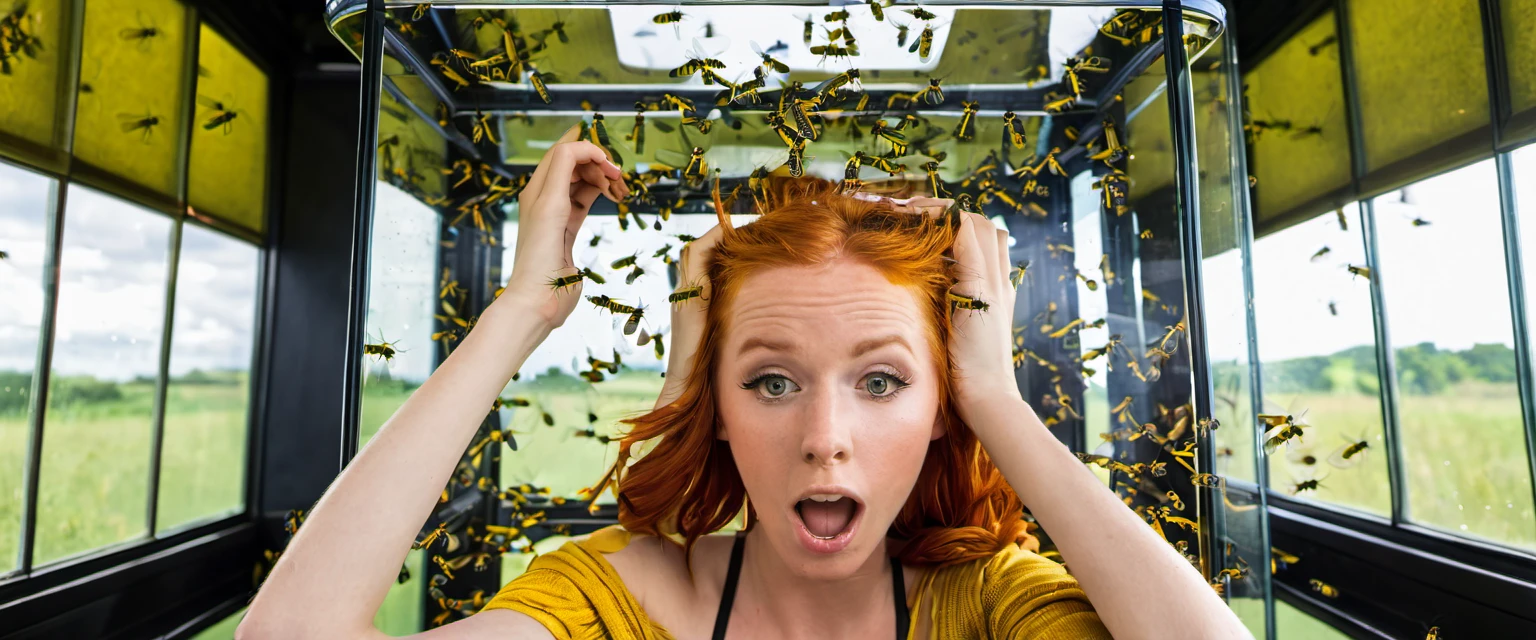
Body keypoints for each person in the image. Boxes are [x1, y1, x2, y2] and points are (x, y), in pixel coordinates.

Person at [238, 127, 1251, 639]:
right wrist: (521, 312)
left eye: (884, 382)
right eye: (770, 381)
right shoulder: (625, 598)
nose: (826, 437)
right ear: (715, 408)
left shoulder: (986, 603)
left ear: (941, 410)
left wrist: (994, 397)